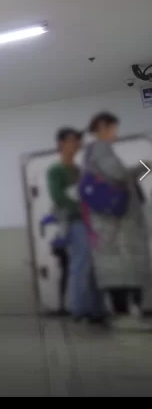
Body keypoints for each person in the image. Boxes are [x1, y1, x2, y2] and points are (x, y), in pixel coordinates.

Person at [83, 112, 151, 330]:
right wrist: (142, 165)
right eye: (113, 128)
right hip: (117, 224)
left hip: (116, 224)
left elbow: (124, 179)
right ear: (102, 127)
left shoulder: (95, 153)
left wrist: (144, 168)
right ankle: (125, 316)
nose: (116, 133)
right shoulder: (100, 149)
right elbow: (119, 175)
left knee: (122, 268)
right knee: (123, 269)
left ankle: (126, 313)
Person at [47, 127, 105, 323]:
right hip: (74, 222)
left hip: (89, 222)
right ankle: (79, 310)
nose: (77, 144)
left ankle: (97, 309)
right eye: (72, 140)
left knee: (94, 267)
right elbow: (59, 197)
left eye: (78, 140)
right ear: (61, 143)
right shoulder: (56, 170)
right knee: (80, 265)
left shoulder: (78, 170)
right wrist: (81, 207)